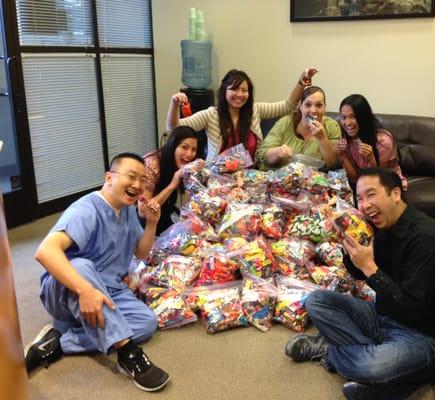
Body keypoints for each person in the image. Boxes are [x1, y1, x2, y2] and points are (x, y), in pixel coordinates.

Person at [285, 167, 435, 400]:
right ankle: (381, 374)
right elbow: (360, 276)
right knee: (317, 301)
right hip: (384, 315)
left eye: (371, 195)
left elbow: (411, 309)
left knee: (374, 366)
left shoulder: (430, 239)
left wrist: (369, 266)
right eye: (359, 198)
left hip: (424, 334)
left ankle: (331, 352)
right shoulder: (382, 228)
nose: (364, 205)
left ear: (396, 194)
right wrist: (350, 252)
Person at [25, 153, 170, 392]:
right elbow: (45, 251)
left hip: (108, 290)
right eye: (131, 176)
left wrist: (152, 222)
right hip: (67, 290)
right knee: (82, 265)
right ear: (109, 177)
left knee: (146, 323)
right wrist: (85, 290)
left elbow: (141, 254)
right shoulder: (86, 209)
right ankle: (128, 353)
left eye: (142, 180)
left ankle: (59, 342)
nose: (137, 184)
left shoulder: (127, 210)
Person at [165, 67, 318, 161]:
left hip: (250, 179)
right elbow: (174, 127)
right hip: (217, 179)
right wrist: (174, 103)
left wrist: (302, 80)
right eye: (234, 89)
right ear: (224, 91)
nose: (240, 94)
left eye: (244, 90)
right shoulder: (211, 115)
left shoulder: (255, 110)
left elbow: (287, 106)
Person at [256, 86, 341, 170]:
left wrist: (322, 138)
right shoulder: (286, 122)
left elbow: (333, 165)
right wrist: (278, 152)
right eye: (308, 105)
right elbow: (262, 155)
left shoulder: (331, 126)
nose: (313, 110)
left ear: (324, 108)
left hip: (314, 180)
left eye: (319, 105)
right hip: (279, 178)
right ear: (300, 106)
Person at [336, 94, 407, 191]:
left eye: (353, 116)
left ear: (364, 117)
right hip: (363, 183)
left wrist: (371, 160)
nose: (347, 123)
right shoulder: (348, 137)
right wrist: (342, 156)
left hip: (388, 186)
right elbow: (354, 178)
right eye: (343, 117)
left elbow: (380, 180)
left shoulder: (383, 141)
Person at [143, 126, 198, 234]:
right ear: (173, 146)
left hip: (166, 211)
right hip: (145, 223)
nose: (189, 154)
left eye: (193, 149)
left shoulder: (181, 163)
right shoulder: (151, 165)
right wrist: (172, 185)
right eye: (184, 147)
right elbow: (143, 210)